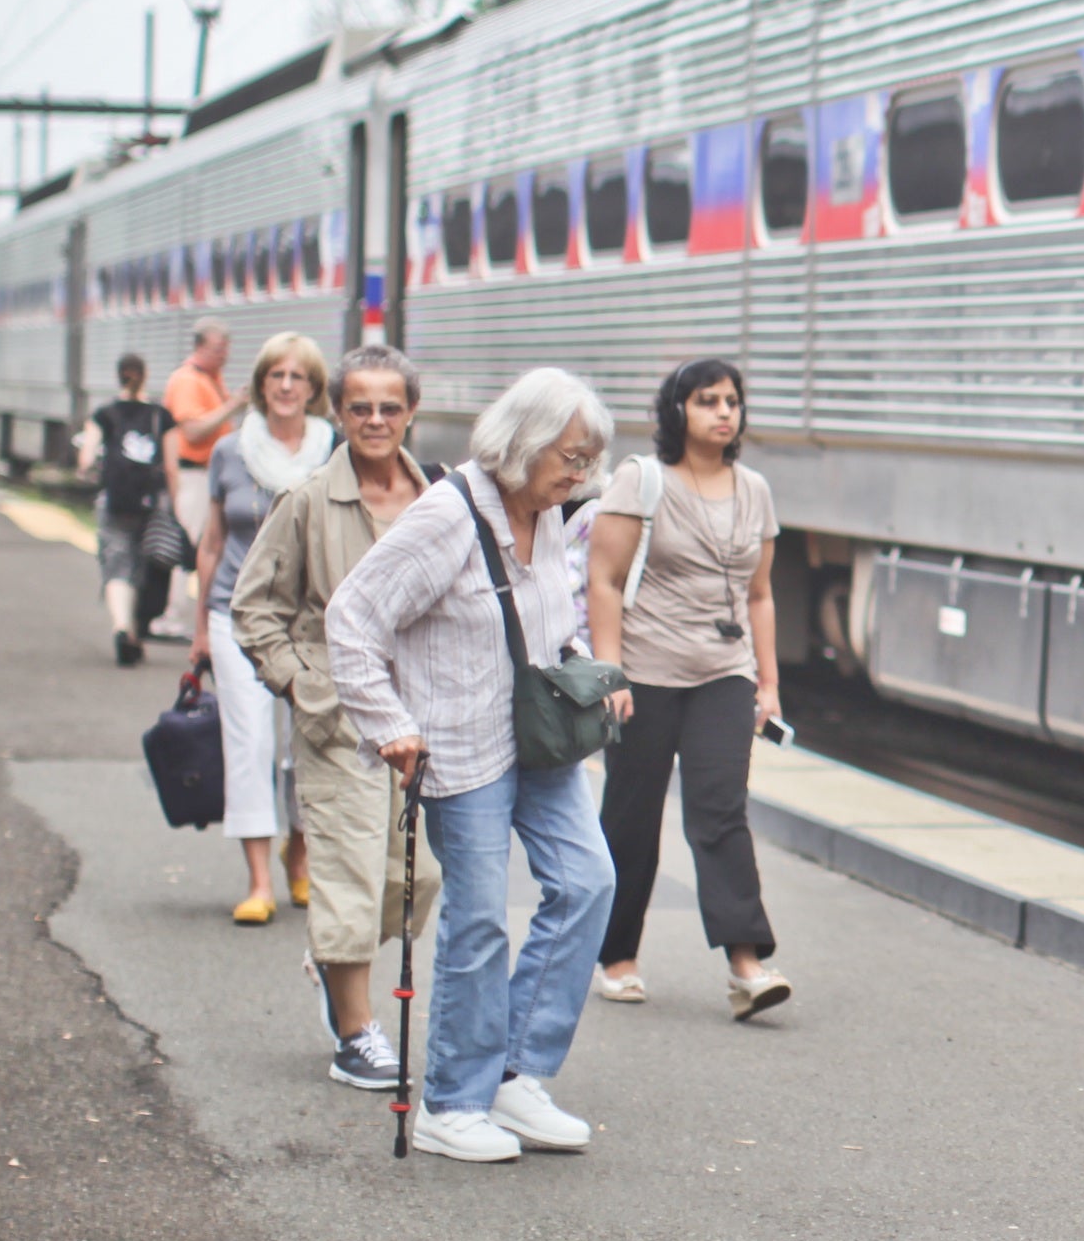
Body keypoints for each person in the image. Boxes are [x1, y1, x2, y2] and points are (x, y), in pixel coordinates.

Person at [329, 367, 620, 1165]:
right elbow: (352, 619)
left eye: (588, 459)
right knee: (479, 918)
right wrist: (387, 723)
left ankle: (515, 1073)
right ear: (521, 447)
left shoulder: (547, 512)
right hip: (459, 745)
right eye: (569, 457)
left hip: (539, 735)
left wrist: (586, 669)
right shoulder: (446, 517)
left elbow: (549, 615)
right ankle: (452, 1101)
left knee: (589, 881)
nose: (580, 475)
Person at [232, 344, 441, 1091]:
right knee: (350, 874)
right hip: (342, 720)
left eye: (391, 407)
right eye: (361, 407)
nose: (376, 420)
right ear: (338, 413)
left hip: (426, 720)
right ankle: (355, 1033)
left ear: (412, 412)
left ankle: (334, 962)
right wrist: (303, 686)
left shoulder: (442, 502)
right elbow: (254, 608)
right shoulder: (309, 501)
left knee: (408, 880)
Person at [587, 358, 790, 1020]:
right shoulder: (641, 481)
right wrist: (610, 670)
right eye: (707, 401)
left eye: (732, 401)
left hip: (722, 674)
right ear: (679, 411)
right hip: (644, 674)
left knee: (720, 808)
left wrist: (769, 682)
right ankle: (617, 957)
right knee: (632, 814)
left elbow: (759, 595)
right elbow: (605, 580)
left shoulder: (754, 490)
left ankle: (747, 964)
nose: (724, 412)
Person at [197, 333, 332, 924]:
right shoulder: (229, 451)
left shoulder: (335, 451)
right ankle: (258, 882)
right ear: (259, 384)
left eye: (297, 376)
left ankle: (297, 855)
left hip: (308, 623)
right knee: (250, 742)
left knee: (301, 744)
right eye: (275, 374)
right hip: (235, 615)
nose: (285, 386)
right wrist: (201, 625)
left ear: (313, 388)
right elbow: (211, 541)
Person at [74, 353, 171, 666]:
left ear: (119, 376)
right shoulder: (160, 415)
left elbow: (86, 460)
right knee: (143, 567)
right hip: (151, 504)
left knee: (117, 566)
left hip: (116, 501)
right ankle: (137, 629)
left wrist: (89, 471)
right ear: (145, 375)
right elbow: (172, 467)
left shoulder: (104, 413)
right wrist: (176, 509)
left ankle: (122, 627)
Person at [159, 321, 239, 637]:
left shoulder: (211, 378)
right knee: (185, 545)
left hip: (209, 474)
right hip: (192, 474)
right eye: (218, 349)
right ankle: (170, 614)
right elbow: (192, 431)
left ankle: (203, 614)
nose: (225, 355)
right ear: (199, 347)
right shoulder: (187, 381)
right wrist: (233, 406)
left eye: (226, 349)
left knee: (211, 545)